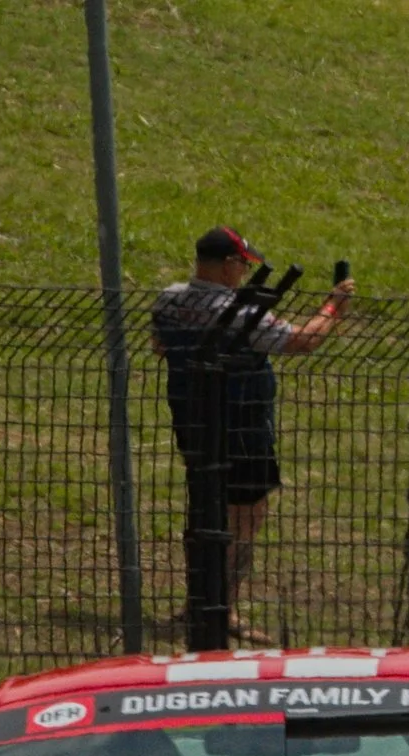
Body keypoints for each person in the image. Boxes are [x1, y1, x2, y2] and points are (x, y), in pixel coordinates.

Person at [149, 227, 354, 641]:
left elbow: (158, 346)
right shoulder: (241, 312)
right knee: (245, 519)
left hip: (192, 422)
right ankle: (219, 609)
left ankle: (196, 603)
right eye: (243, 265)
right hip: (243, 426)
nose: (244, 273)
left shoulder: (169, 298)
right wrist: (332, 308)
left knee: (204, 510)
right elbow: (303, 341)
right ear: (227, 266)